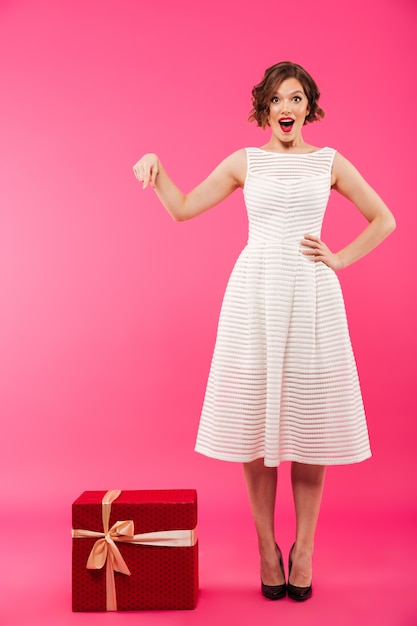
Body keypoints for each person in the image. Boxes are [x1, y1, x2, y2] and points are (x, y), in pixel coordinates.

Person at [133, 61, 395, 602]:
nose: (286, 108)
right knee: (256, 427)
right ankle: (265, 548)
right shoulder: (243, 162)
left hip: (312, 299)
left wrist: (340, 258)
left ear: (309, 107)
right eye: (277, 99)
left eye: (296, 98)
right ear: (265, 108)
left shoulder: (329, 162)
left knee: (310, 430)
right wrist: (156, 169)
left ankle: (304, 549)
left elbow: (384, 219)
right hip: (255, 298)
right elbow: (182, 209)